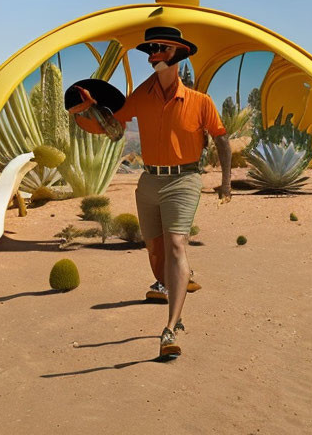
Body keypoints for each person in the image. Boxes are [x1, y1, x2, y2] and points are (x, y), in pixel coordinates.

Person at [69, 26, 232, 357]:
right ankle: (178, 278)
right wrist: (86, 109)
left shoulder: (201, 102)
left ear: (179, 54)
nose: (154, 54)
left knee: (175, 247)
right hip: (148, 183)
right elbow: (113, 130)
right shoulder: (141, 96)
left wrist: (226, 180)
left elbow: (221, 138)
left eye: (161, 49)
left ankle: (171, 328)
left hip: (183, 181)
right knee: (156, 255)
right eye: (151, 50)